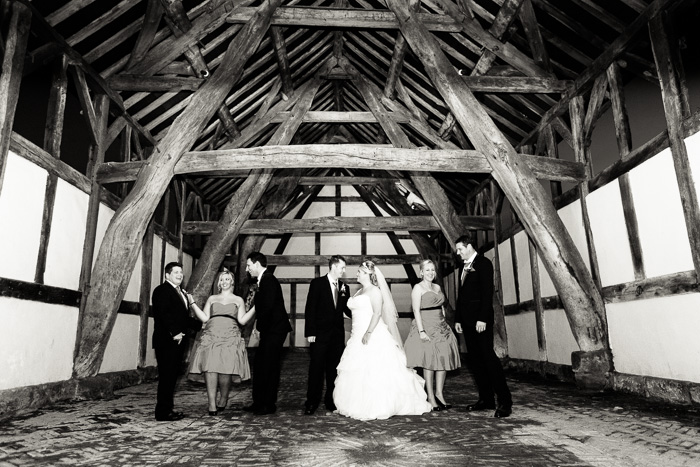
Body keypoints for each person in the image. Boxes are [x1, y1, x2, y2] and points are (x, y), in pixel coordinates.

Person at [333, 260, 432, 420]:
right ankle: (357, 403)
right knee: (358, 369)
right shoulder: (359, 292)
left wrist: (368, 332)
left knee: (375, 369)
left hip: (371, 333)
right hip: (356, 334)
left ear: (368, 274)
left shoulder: (375, 291)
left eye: (360, 271)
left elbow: (377, 313)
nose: (356, 274)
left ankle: (380, 405)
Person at [454, 233, 513, 418]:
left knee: (489, 359)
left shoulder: (484, 263)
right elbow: (461, 296)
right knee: (475, 362)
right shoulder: (462, 268)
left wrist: (482, 319)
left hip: (481, 322)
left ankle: (505, 402)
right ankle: (486, 399)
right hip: (466, 322)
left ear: (469, 246)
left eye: (460, 249)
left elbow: (488, 294)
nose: (458, 253)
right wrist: (457, 319)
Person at [189, 269, 255, 415]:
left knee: (226, 369)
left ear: (231, 282)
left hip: (230, 334)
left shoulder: (238, 300)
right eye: (222, 279)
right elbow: (205, 318)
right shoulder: (212, 298)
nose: (224, 282)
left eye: (227, 279)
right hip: (212, 333)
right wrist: (192, 303)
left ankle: (223, 398)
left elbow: (242, 320)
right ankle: (211, 404)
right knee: (210, 367)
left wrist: (256, 307)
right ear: (219, 283)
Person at [404, 259, 461, 411]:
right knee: (429, 361)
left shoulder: (437, 287)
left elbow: (441, 305)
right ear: (421, 272)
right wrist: (422, 331)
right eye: (427, 270)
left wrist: (443, 319)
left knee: (442, 359)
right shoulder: (418, 288)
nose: (430, 272)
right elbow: (416, 310)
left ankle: (439, 394)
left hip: (441, 326)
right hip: (426, 326)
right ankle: (430, 396)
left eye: (432, 270)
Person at [243, 252, 292, 415]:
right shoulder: (262, 280)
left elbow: (268, 307)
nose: (247, 269)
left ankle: (268, 404)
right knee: (261, 365)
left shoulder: (269, 280)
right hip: (270, 329)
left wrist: (258, 328)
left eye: (248, 265)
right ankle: (259, 401)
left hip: (274, 330)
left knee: (269, 366)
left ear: (257, 264)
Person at [303, 255, 351, 415]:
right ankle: (311, 402)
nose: (344, 271)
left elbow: (346, 309)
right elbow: (310, 308)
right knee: (316, 369)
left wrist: (361, 311)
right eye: (342, 267)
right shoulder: (317, 284)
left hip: (337, 336)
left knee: (333, 369)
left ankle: (331, 401)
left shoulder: (345, 287)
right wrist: (310, 332)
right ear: (333, 266)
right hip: (319, 335)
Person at [151, 261, 194, 422]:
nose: (180, 274)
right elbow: (163, 314)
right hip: (167, 341)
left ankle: (167, 409)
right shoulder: (162, 290)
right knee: (167, 377)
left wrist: (202, 324)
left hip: (178, 341)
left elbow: (182, 317)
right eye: (176, 272)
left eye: (181, 272)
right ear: (167, 275)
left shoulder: (180, 292)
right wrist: (174, 332)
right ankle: (163, 412)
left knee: (172, 377)